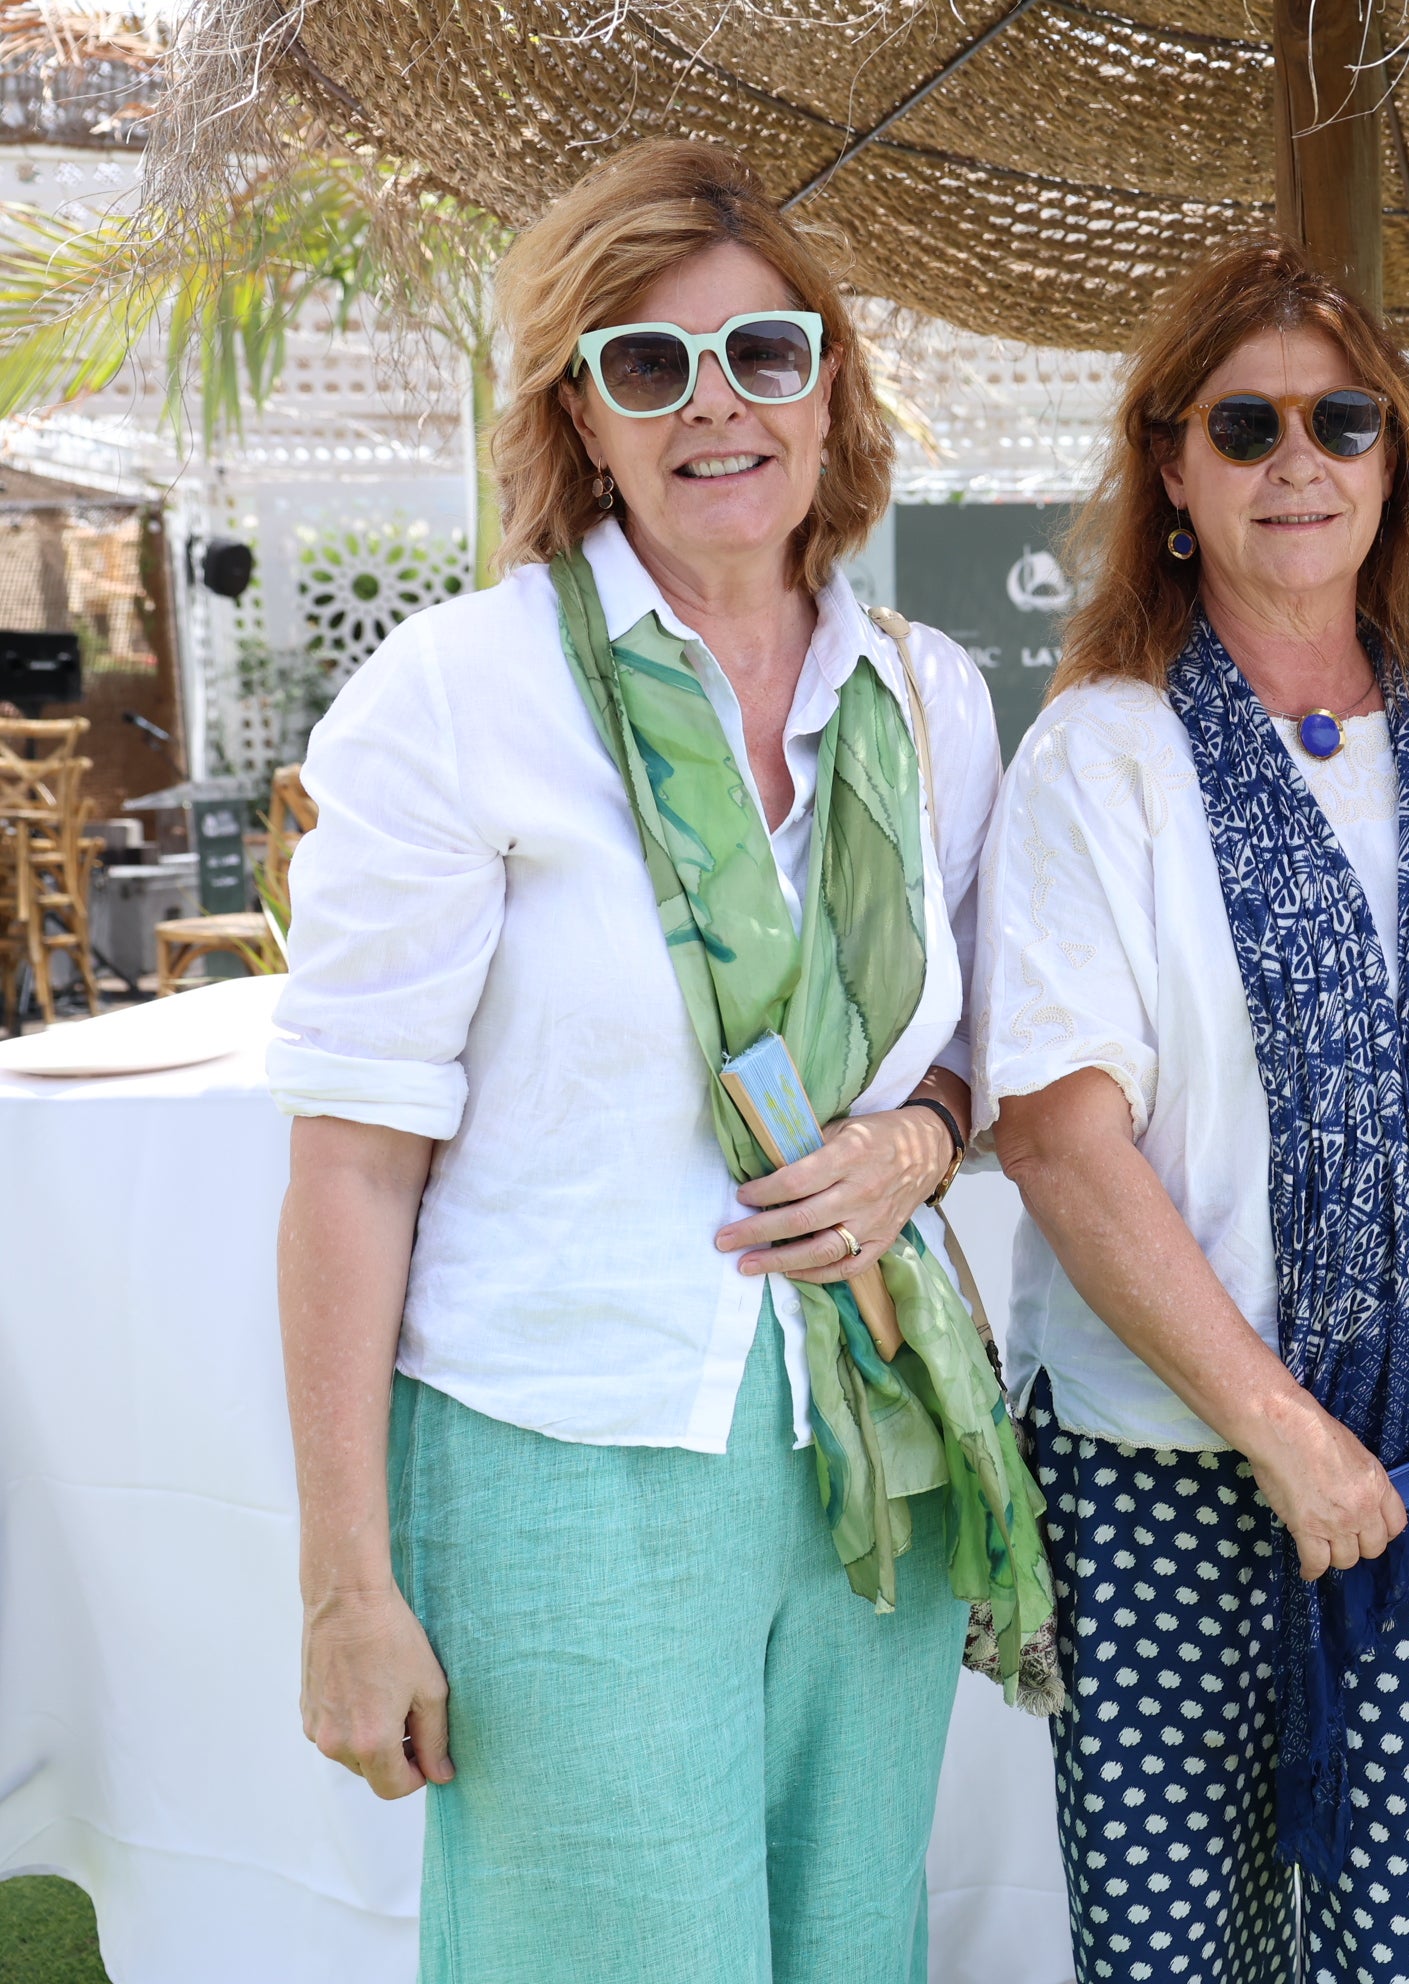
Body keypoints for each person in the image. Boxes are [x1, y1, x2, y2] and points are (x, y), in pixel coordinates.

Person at [269, 140, 1049, 1981]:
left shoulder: (929, 698)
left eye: (764, 355)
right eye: (649, 365)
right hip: (569, 1455)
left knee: (850, 1948)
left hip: (870, 1449)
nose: (716, 406)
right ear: (582, 417)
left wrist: (923, 1149)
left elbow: (980, 1061)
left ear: (828, 386)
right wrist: (344, 1591)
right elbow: (349, 1168)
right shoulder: (461, 697)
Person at [976, 235, 1409, 1984]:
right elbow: (1054, 1132)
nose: (1299, 460)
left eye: (1344, 421)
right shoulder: (1100, 755)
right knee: (1184, 1952)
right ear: (1172, 468)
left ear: (1396, 463)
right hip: (1168, 1479)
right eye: (1245, 423)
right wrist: (1279, 1428)